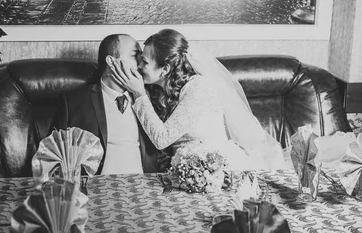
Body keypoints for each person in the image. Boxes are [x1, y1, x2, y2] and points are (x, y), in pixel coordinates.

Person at [109, 28, 285, 171]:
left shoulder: (198, 88)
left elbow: (162, 138)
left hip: (218, 169)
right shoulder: (156, 88)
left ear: (165, 69)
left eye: (145, 62)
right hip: (185, 171)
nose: (139, 66)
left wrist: (139, 94)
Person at [52, 34, 170, 175]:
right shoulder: (73, 102)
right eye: (134, 55)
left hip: (143, 188)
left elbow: (161, 154)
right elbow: (53, 154)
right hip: (97, 189)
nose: (141, 63)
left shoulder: (151, 97)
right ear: (111, 62)